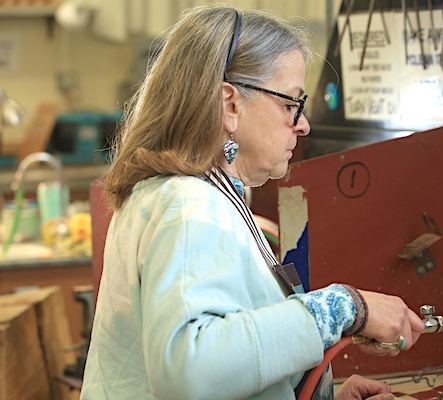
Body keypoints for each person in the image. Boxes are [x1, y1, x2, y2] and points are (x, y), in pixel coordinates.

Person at [80, 4, 425, 400]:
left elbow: (233, 357)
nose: (303, 124)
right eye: (290, 104)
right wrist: (343, 308)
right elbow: (190, 370)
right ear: (230, 105)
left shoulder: (198, 196)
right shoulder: (189, 204)